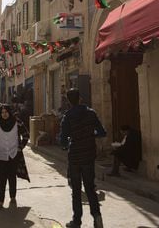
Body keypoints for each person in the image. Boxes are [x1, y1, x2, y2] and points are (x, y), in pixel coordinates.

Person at [60, 88, 106, 228]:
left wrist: (67, 143)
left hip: (74, 156)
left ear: (69, 101)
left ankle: (77, 220)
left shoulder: (67, 116)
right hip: (89, 154)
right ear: (80, 98)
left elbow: (63, 139)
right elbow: (102, 132)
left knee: (76, 190)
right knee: (90, 188)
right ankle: (97, 217)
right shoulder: (91, 113)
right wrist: (91, 135)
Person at [0, 104, 29, 210]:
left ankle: (12, 197)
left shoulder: (18, 123)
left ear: (10, 112)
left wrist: (20, 147)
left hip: (14, 154)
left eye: (6, 112)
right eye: (2, 113)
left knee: (12, 177)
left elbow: (26, 135)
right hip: (0, 155)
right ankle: (0, 201)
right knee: (1, 178)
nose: (4, 114)